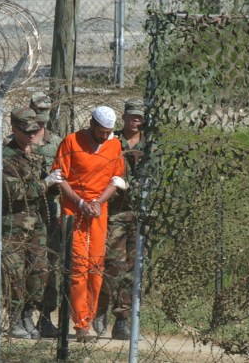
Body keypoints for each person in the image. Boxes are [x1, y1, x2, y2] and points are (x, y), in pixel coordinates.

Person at [52, 106, 126, 342]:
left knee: (95, 267)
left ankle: (90, 318)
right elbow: (59, 177)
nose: (104, 136)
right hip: (74, 211)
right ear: (92, 124)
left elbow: (116, 179)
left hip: (98, 212)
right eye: (101, 131)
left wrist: (97, 202)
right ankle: (81, 325)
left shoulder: (114, 145)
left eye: (108, 132)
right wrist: (81, 202)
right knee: (78, 268)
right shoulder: (71, 142)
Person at [1, 107, 66, 339]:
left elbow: (46, 191)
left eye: (35, 130)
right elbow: (14, 192)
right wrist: (45, 183)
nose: (31, 135)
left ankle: (33, 315)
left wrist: (58, 183)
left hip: (37, 223)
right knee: (14, 274)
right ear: (14, 129)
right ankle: (16, 319)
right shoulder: (6, 156)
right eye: (26, 131)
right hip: (12, 225)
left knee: (39, 271)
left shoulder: (37, 153)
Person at [94, 99, 146, 340]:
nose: (136, 121)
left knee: (133, 270)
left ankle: (122, 319)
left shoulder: (150, 144)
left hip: (140, 215)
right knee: (112, 266)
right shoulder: (111, 141)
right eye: (132, 116)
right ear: (124, 116)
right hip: (115, 212)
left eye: (140, 117)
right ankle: (100, 308)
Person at [29, 92, 64, 338]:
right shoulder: (18, 140)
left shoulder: (57, 142)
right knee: (25, 265)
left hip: (50, 210)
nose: (41, 120)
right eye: (37, 113)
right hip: (24, 211)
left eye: (45, 114)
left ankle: (45, 316)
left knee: (50, 265)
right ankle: (21, 315)